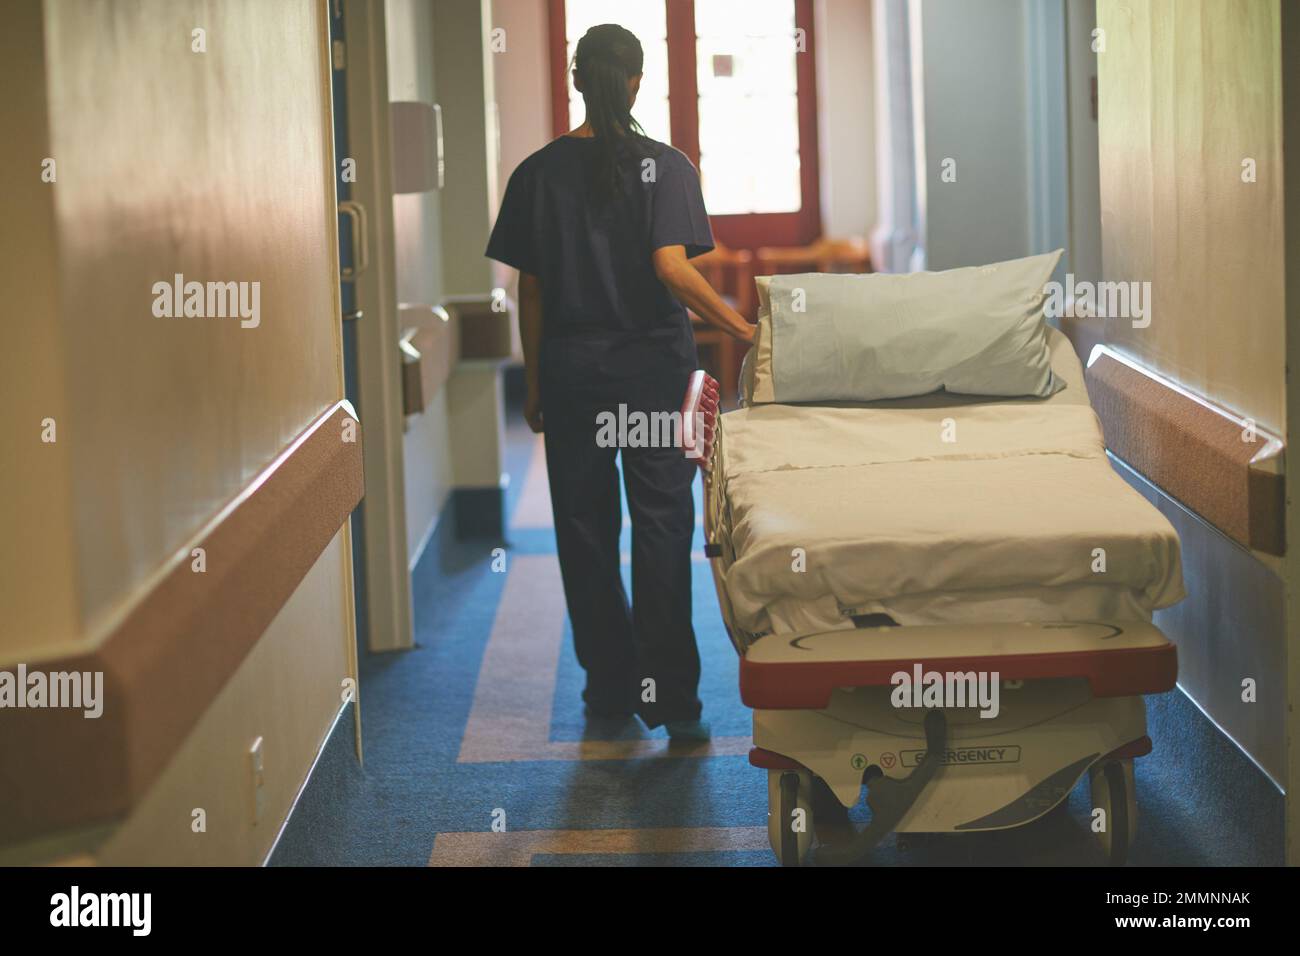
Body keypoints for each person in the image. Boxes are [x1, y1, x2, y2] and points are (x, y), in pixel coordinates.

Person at [485, 23, 753, 741]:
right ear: (638, 81)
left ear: (577, 80)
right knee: (663, 527)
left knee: (583, 528)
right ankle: (671, 699)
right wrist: (743, 330)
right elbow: (672, 266)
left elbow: (530, 294)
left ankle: (608, 685)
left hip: (574, 376)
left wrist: (536, 385)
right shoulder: (665, 167)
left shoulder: (537, 174)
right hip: (654, 377)